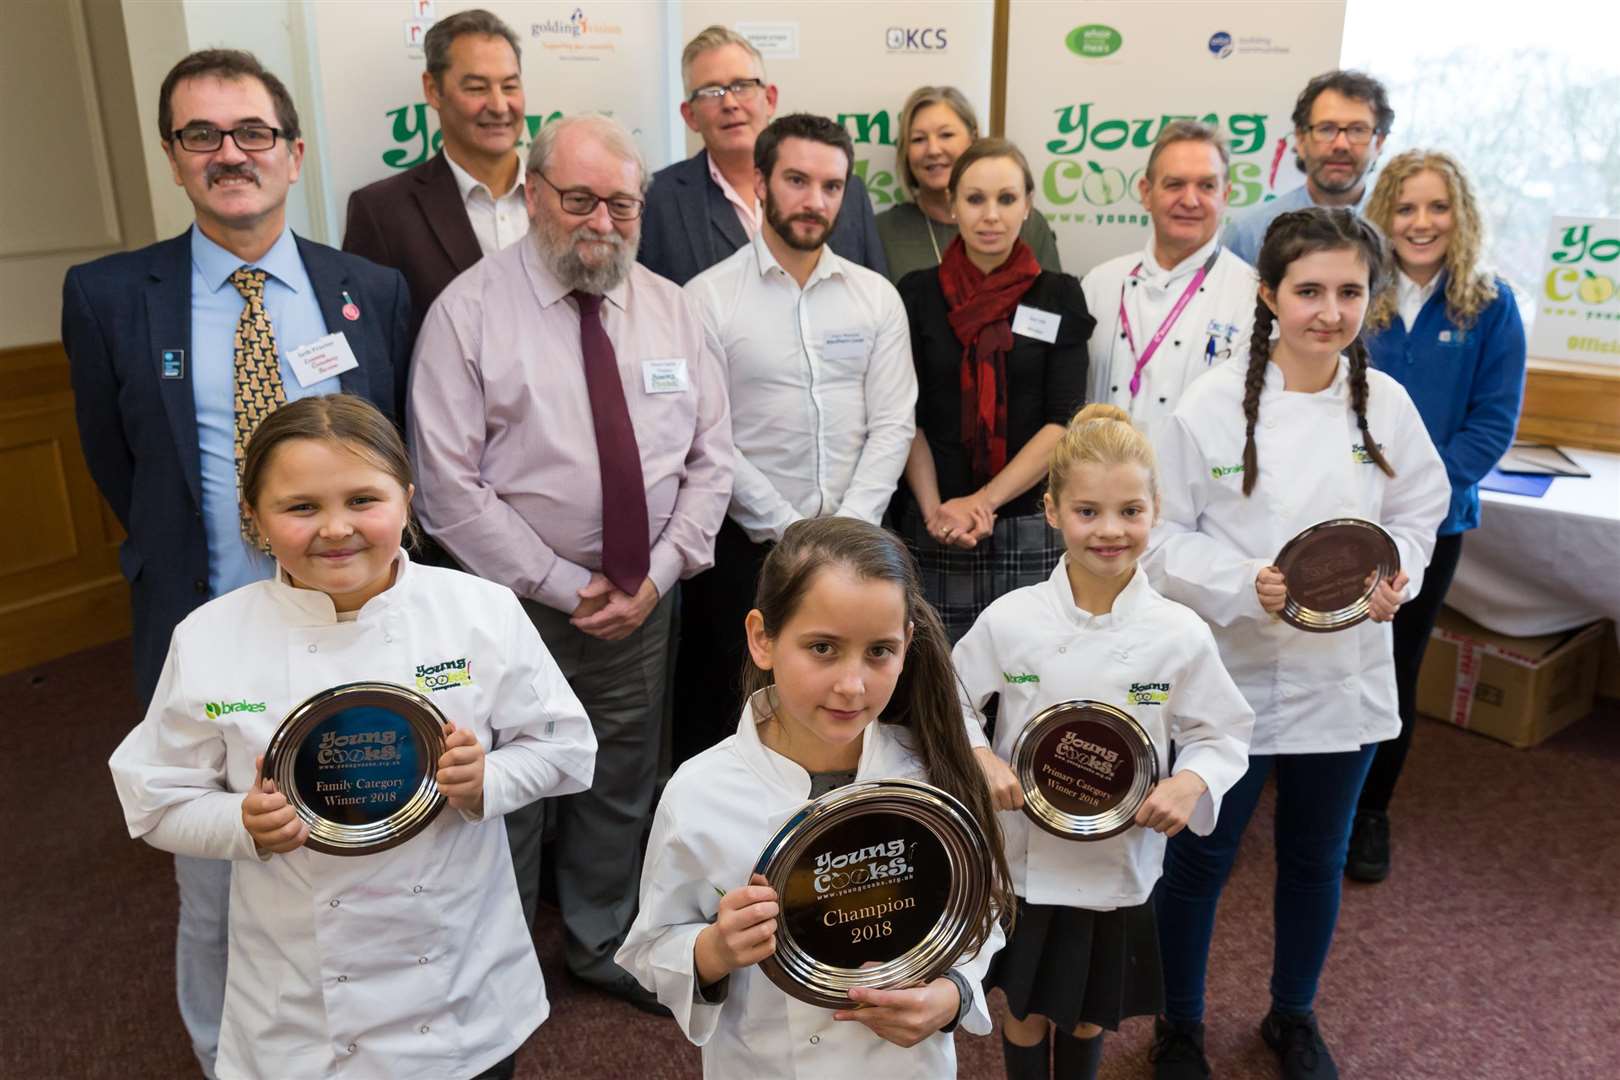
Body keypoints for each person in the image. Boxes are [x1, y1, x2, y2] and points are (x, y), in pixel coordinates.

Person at [60, 49, 412, 1078]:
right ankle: (228, 1056)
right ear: (173, 157)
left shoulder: (370, 290)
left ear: (293, 152)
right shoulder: (110, 295)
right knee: (219, 871)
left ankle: (375, 1039)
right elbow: (117, 463)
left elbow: (393, 456)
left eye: (252, 132)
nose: (231, 154)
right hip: (209, 631)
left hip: (357, 629)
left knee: (371, 844)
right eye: (201, 135)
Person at [107, 394, 597, 1080]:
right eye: (300, 507)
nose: (336, 530)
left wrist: (489, 778)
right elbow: (154, 796)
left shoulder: (479, 611)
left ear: (406, 497)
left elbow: (566, 746)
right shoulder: (210, 638)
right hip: (303, 1006)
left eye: (363, 500)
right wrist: (241, 822)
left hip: (460, 985)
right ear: (253, 516)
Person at [408, 113, 733, 1011]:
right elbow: (446, 485)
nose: (601, 221)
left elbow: (712, 462)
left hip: (643, 600)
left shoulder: (674, 307)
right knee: (508, 786)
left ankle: (600, 943)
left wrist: (657, 574)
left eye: (620, 203)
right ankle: (504, 963)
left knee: (621, 775)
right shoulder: (465, 315)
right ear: (533, 196)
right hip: (510, 608)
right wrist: (561, 583)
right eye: (580, 198)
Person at [1143, 209, 1449, 1080]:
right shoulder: (1207, 407)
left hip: (1341, 681)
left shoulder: (1385, 404)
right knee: (1200, 859)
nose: (1329, 310)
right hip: (1229, 677)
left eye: (1350, 291)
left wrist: (1402, 577)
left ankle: (1292, 1014)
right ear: (1269, 295)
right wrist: (1246, 584)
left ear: (1370, 298)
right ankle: (1179, 1025)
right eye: (1308, 290)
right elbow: (1160, 538)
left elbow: (1420, 514)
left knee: (1315, 861)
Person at [616, 517, 1013, 1078]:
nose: (852, 685)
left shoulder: (933, 770)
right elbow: (652, 946)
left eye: (879, 651)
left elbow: (980, 913)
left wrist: (951, 995)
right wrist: (714, 949)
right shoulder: (700, 792)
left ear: (907, 646)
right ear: (763, 639)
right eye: (823, 648)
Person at [956, 403, 1253, 1080]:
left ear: (1155, 510)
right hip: (1025, 856)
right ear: (1053, 510)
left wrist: (1190, 782)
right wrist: (978, 758)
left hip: (1119, 861)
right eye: (1088, 512)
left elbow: (1222, 730)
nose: (1110, 530)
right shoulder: (1013, 620)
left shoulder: (1179, 632)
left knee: (1091, 1010)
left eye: (1130, 511)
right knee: (1025, 1006)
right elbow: (951, 700)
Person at [674, 113, 916, 763]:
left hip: (863, 547)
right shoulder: (708, 298)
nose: (815, 201)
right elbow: (709, 433)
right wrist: (792, 533)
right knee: (731, 726)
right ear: (760, 182)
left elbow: (893, 422)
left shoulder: (876, 298)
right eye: (798, 181)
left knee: (851, 720)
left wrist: (848, 530)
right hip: (748, 553)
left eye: (832, 186)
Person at [1349, 150, 1527, 882]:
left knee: (1393, 665)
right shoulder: (1359, 294)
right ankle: (1310, 794)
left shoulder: (1490, 305)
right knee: (1321, 657)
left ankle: (1369, 814)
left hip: (1433, 525)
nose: (1421, 223)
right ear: (1383, 217)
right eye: (1406, 208)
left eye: (1437, 207)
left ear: (1462, 217)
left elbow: (1492, 424)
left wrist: (1415, 494)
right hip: (1341, 516)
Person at [895, 138, 1093, 642]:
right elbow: (904, 415)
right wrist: (936, 507)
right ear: (953, 205)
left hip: (1030, 521)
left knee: (1030, 674)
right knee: (937, 680)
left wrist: (982, 502)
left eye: (1006, 199)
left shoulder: (1059, 294)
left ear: (1027, 205)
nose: (991, 215)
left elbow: (1061, 422)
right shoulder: (916, 293)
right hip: (934, 522)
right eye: (975, 199)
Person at [638, 25, 887, 285]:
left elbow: (873, 293)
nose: (730, 104)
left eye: (742, 86)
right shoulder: (654, 200)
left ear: (769, 99)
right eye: (712, 92)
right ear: (690, 115)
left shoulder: (847, 191)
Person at [343, 9, 528, 331]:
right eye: (476, 88)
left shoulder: (567, 195)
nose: (499, 106)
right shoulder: (382, 213)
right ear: (432, 90)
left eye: (510, 86)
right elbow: (374, 348)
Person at [1082, 121, 1257, 429]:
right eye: (1175, 184)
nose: (1190, 201)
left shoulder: (1253, 296)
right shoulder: (1099, 283)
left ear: (1225, 195)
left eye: (1207, 186)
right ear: (1146, 193)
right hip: (1097, 472)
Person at [876, 86, 1062, 284]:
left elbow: (1054, 306)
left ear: (973, 138)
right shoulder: (881, 231)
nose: (933, 150)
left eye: (946, 135)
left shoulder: (1029, 225)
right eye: (918, 139)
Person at [1223, 71, 1392, 266]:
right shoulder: (1249, 233)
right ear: (1301, 140)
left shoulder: (1400, 230)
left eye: (1358, 130)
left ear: (1378, 143)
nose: (1341, 144)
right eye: (1326, 129)